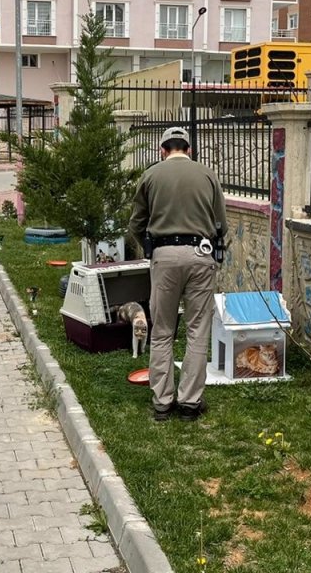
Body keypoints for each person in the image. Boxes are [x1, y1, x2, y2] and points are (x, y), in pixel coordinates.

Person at [129, 127, 227, 422]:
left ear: (163, 150)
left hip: (165, 256)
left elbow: (136, 222)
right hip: (201, 254)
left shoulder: (151, 176)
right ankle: (190, 402)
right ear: (189, 149)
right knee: (198, 330)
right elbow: (221, 223)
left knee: (162, 330)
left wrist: (149, 247)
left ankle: (162, 402)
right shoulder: (208, 175)